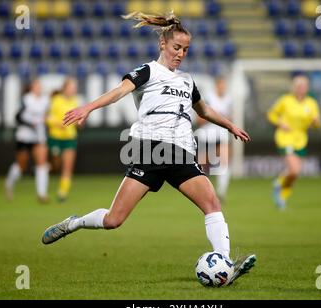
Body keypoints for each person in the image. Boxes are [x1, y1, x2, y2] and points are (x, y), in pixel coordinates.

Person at [41, 11, 256, 285]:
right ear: (163, 45)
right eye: (177, 47)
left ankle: (224, 262)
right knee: (113, 220)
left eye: (186, 50)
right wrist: (88, 107)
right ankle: (74, 223)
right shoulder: (147, 71)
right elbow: (119, 91)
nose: (181, 54)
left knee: (212, 203)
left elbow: (204, 110)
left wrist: (229, 125)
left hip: (180, 151)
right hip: (149, 151)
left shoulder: (187, 81)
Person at [267, 74, 321, 210]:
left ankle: (281, 198)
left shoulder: (311, 103)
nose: (302, 89)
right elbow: (271, 114)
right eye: (299, 86)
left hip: (301, 140)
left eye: (304, 86)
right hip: (285, 138)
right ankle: (279, 184)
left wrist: (315, 122)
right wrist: (280, 123)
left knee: (294, 174)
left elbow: (317, 124)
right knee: (294, 170)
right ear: (294, 88)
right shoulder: (286, 100)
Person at [5, 78, 50, 203]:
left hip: (39, 136)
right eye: (36, 85)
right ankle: (9, 183)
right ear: (31, 87)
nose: (39, 88)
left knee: (42, 164)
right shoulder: (26, 100)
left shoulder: (45, 101)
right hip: (24, 135)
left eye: (40, 85)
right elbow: (17, 118)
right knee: (21, 166)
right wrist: (31, 124)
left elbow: (47, 116)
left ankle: (42, 194)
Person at [196, 76, 233, 202]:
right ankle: (202, 192)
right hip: (206, 135)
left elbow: (229, 119)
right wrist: (214, 117)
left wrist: (225, 120)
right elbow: (199, 119)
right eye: (220, 86)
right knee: (202, 165)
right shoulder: (208, 98)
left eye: (224, 86)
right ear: (216, 86)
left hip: (221, 135)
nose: (223, 88)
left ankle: (221, 192)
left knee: (225, 162)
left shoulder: (228, 99)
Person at [46, 77, 80, 202]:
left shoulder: (75, 101)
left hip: (69, 138)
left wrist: (79, 122)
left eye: (74, 88)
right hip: (55, 137)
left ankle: (62, 193)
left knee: (67, 166)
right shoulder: (56, 100)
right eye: (71, 88)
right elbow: (48, 117)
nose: (73, 90)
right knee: (56, 165)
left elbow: (76, 119)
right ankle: (47, 172)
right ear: (65, 88)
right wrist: (57, 124)